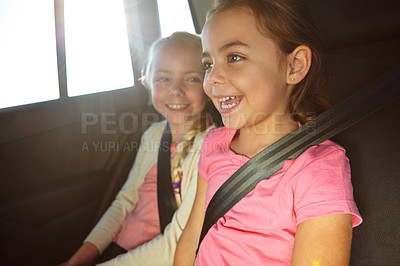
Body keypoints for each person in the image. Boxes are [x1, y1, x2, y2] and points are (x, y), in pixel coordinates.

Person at [174, 0, 363, 265]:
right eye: (208, 64)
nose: (213, 77)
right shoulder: (213, 144)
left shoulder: (317, 168)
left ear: (294, 65)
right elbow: (193, 237)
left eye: (234, 57)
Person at [63, 32, 218, 266]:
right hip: (118, 252)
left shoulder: (211, 150)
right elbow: (125, 201)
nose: (175, 89)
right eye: (163, 79)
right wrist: (79, 260)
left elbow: (176, 243)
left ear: (208, 84)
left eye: (192, 79)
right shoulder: (153, 135)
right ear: (148, 83)